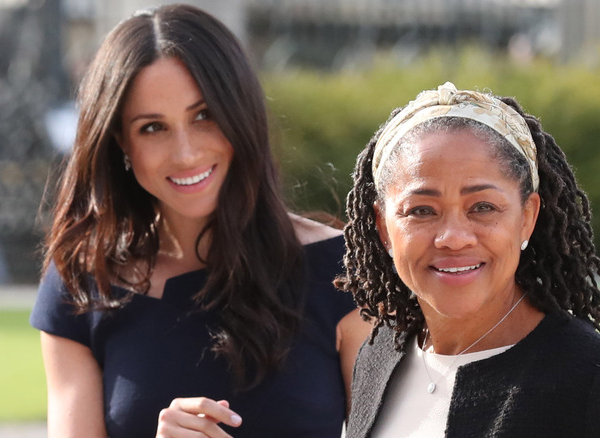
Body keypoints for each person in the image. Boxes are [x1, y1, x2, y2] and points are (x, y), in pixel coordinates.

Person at [30, 4, 368, 437]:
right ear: (120, 144)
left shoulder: (347, 274)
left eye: (204, 115)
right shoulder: (83, 281)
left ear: (241, 113)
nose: (186, 153)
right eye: (153, 128)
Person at [336, 82, 600, 437]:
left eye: (483, 207)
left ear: (527, 216)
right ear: (383, 227)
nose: (453, 237)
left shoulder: (598, 382)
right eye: (421, 210)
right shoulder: (377, 357)